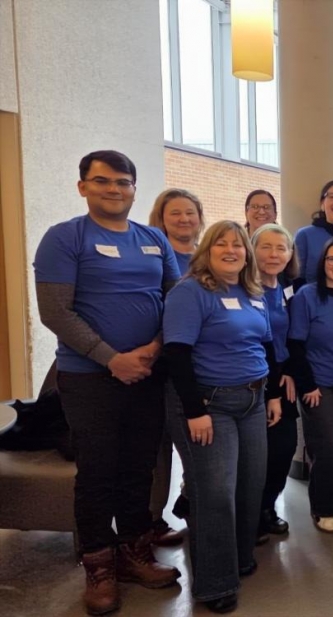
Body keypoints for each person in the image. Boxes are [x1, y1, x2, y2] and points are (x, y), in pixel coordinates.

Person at [33, 150, 182, 615]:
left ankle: (135, 554)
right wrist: (110, 358)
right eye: (102, 182)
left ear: (135, 189)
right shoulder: (64, 239)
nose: (114, 190)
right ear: (83, 187)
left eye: (123, 182)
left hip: (147, 375)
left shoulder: (153, 238)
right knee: (98, 473)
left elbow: (174, 300)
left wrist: (153, 350)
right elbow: (56, 311)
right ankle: (98, 567)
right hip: (88, 377)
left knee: (140, 467)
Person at [163, 220, 283, 614]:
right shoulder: (191, 292)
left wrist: (274, 394)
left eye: (238, 245)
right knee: (215, 493)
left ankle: (239, 558)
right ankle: (214, 584)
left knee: (250, 484)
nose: (232, 250)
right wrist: (195, 411)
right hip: (209, 405)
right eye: (222, 245)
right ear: (207, 251)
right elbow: (177, 355)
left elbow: (265, 346)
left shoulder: (252, 291)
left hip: (253, 400)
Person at [147, 187, 207, 546]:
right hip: (159, 362)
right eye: (176, 213)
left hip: (200, 366)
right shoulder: (153, 257)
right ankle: (151, 520)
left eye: (190, 212)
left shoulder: (207, 256)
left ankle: (190, 503)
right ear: (161, 218)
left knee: (196, 443)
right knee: (158, 447)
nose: (184, 219)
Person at [288, 239, 333, 533]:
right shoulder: (307, 296)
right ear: (322, 262)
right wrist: (307, 385)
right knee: (326, 444)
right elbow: (295, 344)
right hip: (317, 384)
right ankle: (324, 507)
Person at [251, 224, 302, 543]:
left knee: (284, 449)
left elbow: (294, 335)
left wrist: (291, 370)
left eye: (281, 248)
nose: (274, 254)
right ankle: (251, 514)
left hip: (284, 377)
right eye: (266, 247)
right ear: (252, 250)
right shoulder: (244, 287)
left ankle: (266, 507)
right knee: (256, 454)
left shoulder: (288, 286)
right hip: (256, 380)